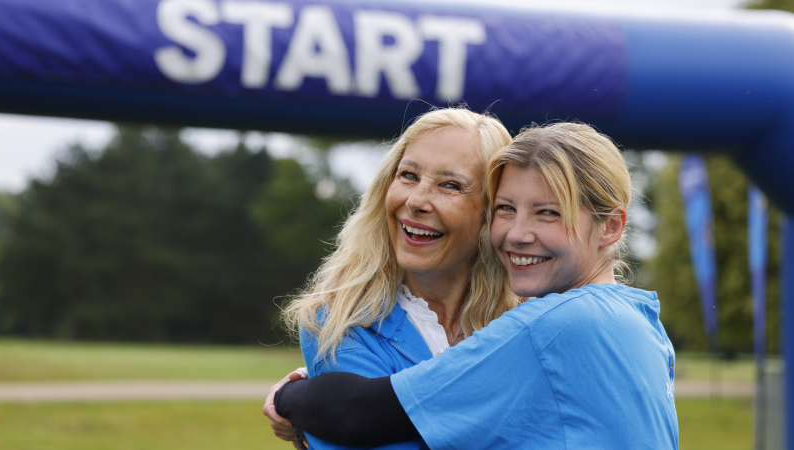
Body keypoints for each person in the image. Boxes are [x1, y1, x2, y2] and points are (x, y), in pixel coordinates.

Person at [272, 122, 679, 449]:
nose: (518, 233)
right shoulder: (641, 325)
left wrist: (292, 399)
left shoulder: (550, 327)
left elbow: (355, 415)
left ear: (612, 226)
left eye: (549, 213)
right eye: (507, 209)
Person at [264, 107, 521, 449]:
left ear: (492, 212)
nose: (415, 201)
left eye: (450, 185)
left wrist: (298, 398)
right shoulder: (338, 321)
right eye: (409, 176)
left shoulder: (530, 319)